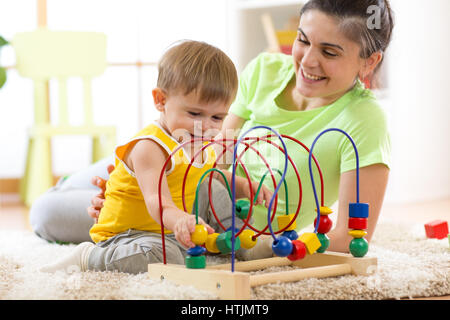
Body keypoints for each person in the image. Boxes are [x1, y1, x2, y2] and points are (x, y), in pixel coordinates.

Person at [32, 0, 394, 259]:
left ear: (370, 61)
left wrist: (278, 245)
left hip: (200, 201)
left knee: (46, 212)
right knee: (67, 201)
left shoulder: (363, 120)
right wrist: (133, 189)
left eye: (329, 52)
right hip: (175, 165)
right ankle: (85, 186)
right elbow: (213, 148)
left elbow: (349, 236)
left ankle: (90, 192)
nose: (306, 61)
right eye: (302, 40)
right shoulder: (268, 69)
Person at [40, 40, 273, 274]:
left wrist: (243, 185)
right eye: (194, 113)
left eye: (217, 117)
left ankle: (241, 241)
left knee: (213, 185)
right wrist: (180, 219)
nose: (206, 127)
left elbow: (213, 174)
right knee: (167, 257)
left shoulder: (201, 140)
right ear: (161, 100)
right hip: (131, 234)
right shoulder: (150, 147)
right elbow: (157, 203)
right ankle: (89, 256)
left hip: (172, 227)